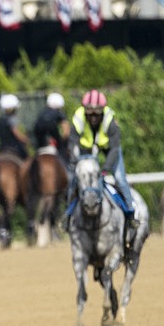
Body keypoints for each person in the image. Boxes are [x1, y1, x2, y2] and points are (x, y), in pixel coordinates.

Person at [63, 89, 137, 229]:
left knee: (120, 178)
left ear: (103, 111)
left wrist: (105, 170)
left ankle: (130, 212)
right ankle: (68, 214)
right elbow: (72, 141)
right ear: (85, 110)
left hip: (109, 149)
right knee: (74, 178)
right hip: (86, 151)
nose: (93, 117)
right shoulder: (78, 118)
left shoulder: (110, 121)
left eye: (97, 113)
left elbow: (115, 148)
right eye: (89, 113)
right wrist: (75, 160)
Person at [33, 92, 71, 161]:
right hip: (54, 140)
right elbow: (66, 132)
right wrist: (63, 142)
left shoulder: (42, 113)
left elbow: (36, 128)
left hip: (41, 142)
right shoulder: (59, 113)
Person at [0, 94, 30, 160]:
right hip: (14, 147)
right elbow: (16, 132)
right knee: (28, 161)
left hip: (2, 147)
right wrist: (25, 139)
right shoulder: (11, 119)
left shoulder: (1, 119)